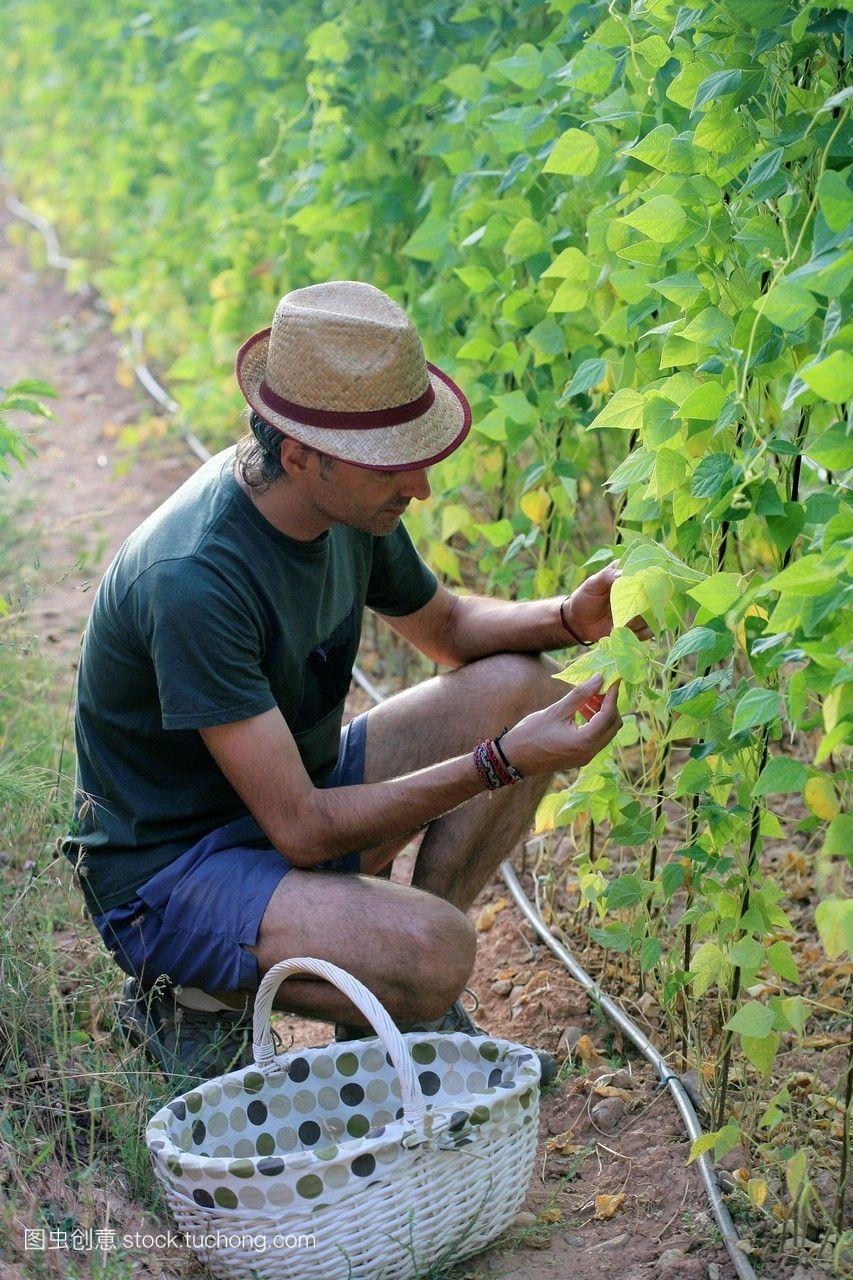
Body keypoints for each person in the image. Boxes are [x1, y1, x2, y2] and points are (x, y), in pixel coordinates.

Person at [62, 280, 649, 1086]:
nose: (420, 489)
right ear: (300, 455)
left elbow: (446, 630)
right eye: (394, 470)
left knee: (523, 685)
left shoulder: (343, 508)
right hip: (174, 873)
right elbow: (303, 830)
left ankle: (396, 1003)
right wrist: (499, 762)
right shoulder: (196, 576)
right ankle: (192, 1000)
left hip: (281, 801)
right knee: (439, 950)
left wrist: (572, 618)